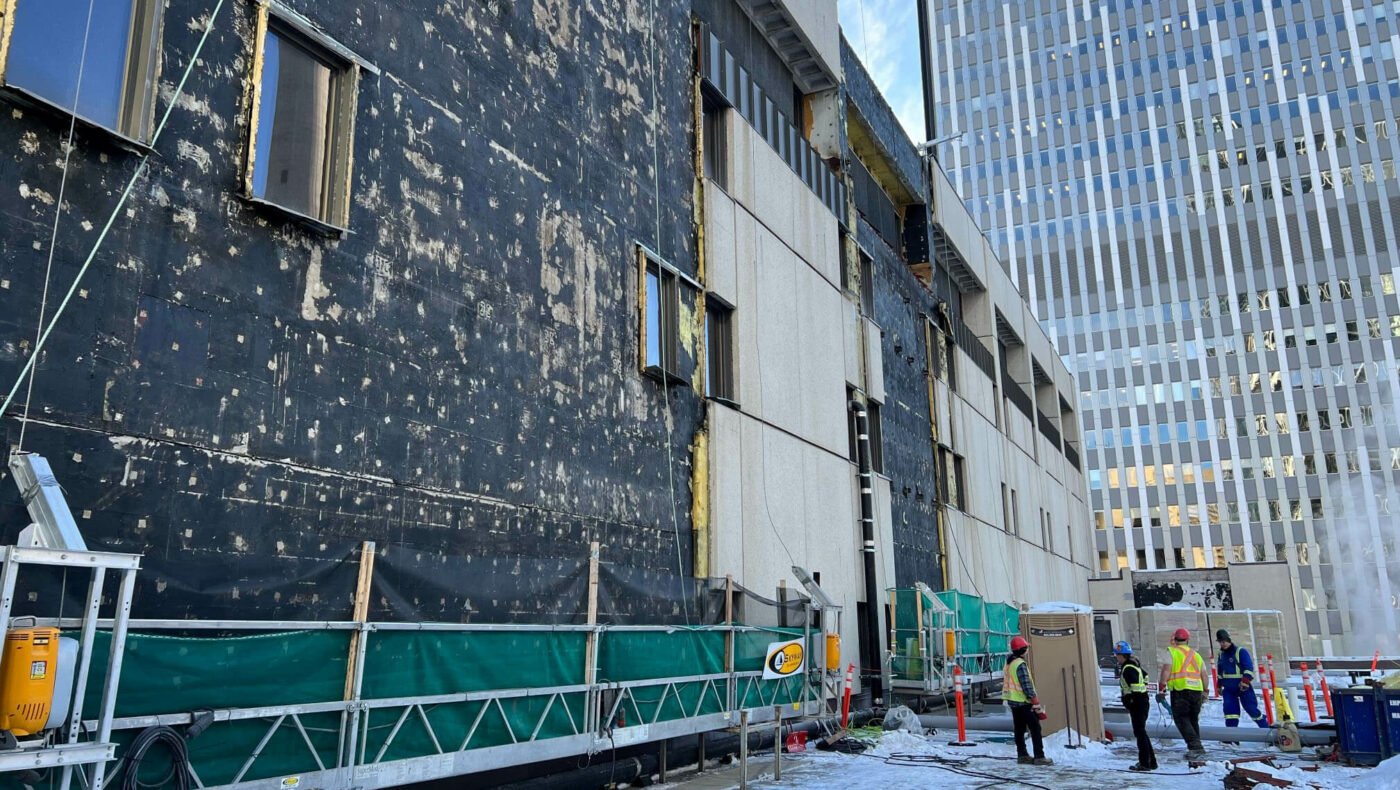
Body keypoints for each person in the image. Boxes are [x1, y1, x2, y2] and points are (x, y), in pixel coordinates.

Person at [1156, 627, 1207, 760]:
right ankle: (1196, 746)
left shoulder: (1172, 652)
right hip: (1196, 691)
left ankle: (1195, 747)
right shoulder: (1196, 655)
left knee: (1181, 719)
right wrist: (1206, 690)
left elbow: (1166, 670)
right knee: (1193, 719)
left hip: (1180, 690)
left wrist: (1161, 687)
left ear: (1175, 639)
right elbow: (1204, 674)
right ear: (1187, 639)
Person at [1003, 636, 1054, 766]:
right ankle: (1039, 756)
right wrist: (1035, 700)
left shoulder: (1009, 663)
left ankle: (1022, 755)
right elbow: (1026, 684)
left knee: (1019, 729)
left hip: (1013, 702)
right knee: (1035, 728)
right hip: (1023, 702)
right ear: (1023, 649)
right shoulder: (1020, 664)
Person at [1115, 640, 1157, 771]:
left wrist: (1130, 700)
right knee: (1141, 732)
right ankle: (1151, 762)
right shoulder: (1134, 665)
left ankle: (1145, 763)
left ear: (1122, 655)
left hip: (1138, 703)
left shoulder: (1128, 669)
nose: (1116, 657)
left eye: (1117, 655)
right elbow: (1145, 677)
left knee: (1140, 733)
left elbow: (1135, 687)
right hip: (1142, 702)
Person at [1216, 629, 1267, 729]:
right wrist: (1219, 685)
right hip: (1229, 689)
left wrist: (1245, 681)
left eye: (1225, 641)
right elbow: (1220, 672)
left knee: (1252, 709)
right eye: (1221, 642)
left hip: (1242, 687)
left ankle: (1267, 730)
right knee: (1230, 713)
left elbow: (1248, 668)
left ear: (1229, 640)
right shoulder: (1221, 655)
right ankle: (1232, 737)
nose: (1223, 644)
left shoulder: (1240, 651)